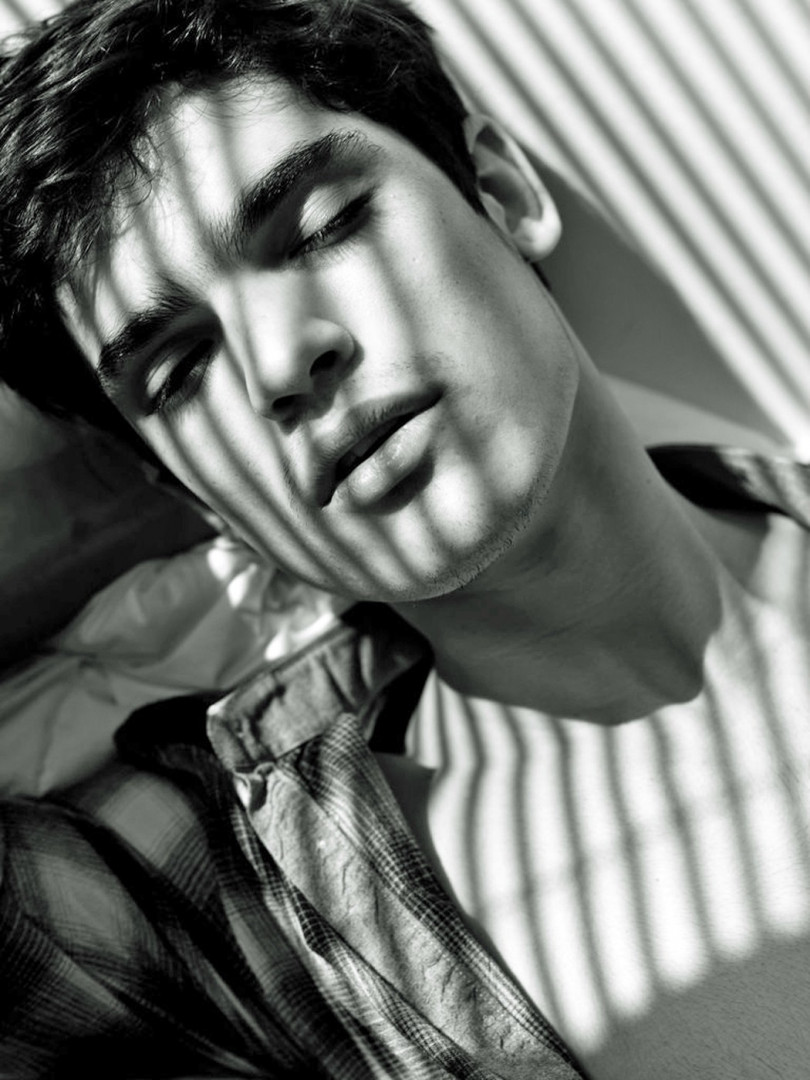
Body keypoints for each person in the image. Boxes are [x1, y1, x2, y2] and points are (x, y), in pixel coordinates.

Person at [2, 1, 810, 1077]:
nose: (278, 365)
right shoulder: (224, 909)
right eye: (182, 370)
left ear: (504, 194)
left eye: (323, 226)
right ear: (189, 490)